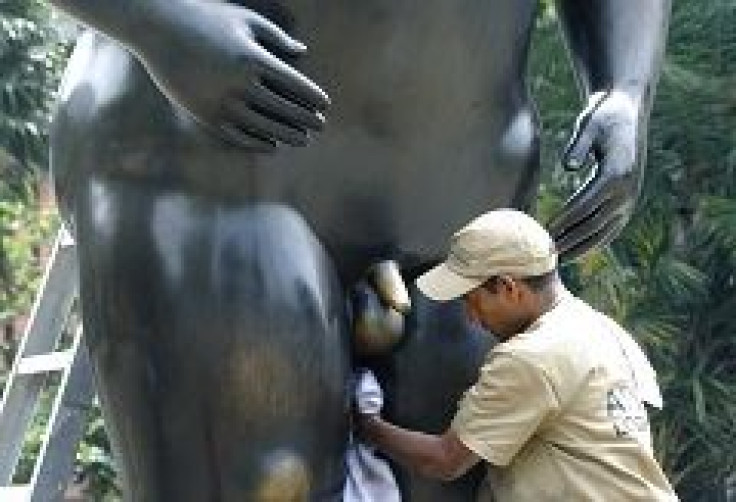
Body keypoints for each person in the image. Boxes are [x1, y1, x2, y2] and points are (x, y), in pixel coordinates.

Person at [45, 0, 671, 499]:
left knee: (461, 487)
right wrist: (158, 19)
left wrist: (625, 84)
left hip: (459, 193)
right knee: (263, 484)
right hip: (216, 163)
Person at [355, 209, 678, 501]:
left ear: (508, 287)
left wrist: (364, 423)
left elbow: (444, 461)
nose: (471, 317)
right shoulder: (603, 331)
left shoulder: (530, 357)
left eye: (472, 299)